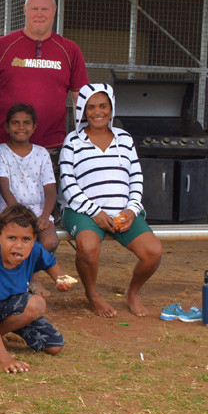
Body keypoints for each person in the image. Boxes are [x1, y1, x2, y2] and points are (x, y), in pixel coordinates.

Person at [59, 84, 163, 318]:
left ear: (111, 108)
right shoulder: (73, 141)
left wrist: (132, 209)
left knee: (153, 252)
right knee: (87, 247)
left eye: (103, 106)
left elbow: (136, 178)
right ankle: (92, 294)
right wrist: (94, 211)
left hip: (122, 211)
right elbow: (67, 182)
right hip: (83, 211)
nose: (98, 112)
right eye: (91, 107)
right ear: (83, 111)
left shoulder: (124, 139)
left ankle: (133, 292)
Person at [0, 0, 89, 149]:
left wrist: (83, 139)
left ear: (54, 11)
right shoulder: (1, 46)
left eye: (45, 9)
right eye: (34, 9)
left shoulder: (70, 49)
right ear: (25, 10)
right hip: (4, 145)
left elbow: (80, 98)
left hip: (52, 147)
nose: (39, 14)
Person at [0, 205, 74, 373]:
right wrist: (5, 358)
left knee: (55, 346)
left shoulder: (35, 250)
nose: (19, 245)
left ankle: (5, 330)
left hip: (18, 308)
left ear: (34, 240)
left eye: (26, 239)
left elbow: (50, 262)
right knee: (37, 304)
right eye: (11, 238)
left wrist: (61, 280)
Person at [0, 104, 59, 259]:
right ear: (6, 127)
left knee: (50, 241)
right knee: (14, 240)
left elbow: (51, 190)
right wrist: (22, 216)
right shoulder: (0, 151)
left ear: (34, 127)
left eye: (26, 123)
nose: (21, 127)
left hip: (38, 211)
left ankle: (31, 276)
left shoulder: (42, 153)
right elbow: (3, 186)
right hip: (9, 210)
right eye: (15, 123)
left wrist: (45, 216)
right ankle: (22, 279)